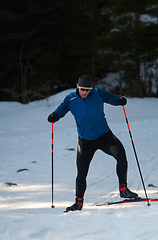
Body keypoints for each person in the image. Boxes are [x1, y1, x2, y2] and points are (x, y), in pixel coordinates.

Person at [47, 75, 138, 212]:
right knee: (82, 172)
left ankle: (123, 189)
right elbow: (61, 110)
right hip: (85, 141)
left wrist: (119, 101)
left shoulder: (97, 94)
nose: (85, 92)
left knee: (121, 156)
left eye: (88, 89)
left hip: (104, 136)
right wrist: (55, 116)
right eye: (83, 89)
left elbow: (111, 98)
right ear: (77, 86)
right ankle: (78, 202)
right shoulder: (70, 99)